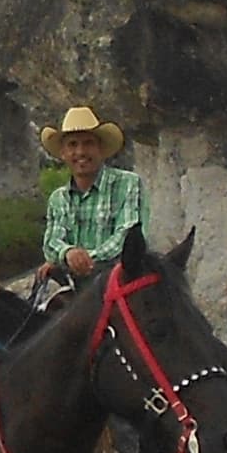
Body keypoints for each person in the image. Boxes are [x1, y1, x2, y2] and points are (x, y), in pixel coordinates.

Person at [31, 105, 145, 313]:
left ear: (100, 149)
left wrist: (83, 259)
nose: (80, 152)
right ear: (63, 153)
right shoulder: (59, 198)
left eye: (88, 143)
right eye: (73, 145)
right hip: (76, 286)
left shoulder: (128, 183)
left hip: (119, 281)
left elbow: (127, 234)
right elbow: (51, 242)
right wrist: (68, 253)